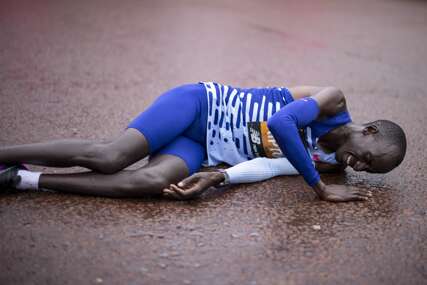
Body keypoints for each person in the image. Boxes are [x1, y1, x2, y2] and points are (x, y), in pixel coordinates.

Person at [0, 82, 406, 202]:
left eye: (371, 171)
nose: (360, 168)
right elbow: (283, 124)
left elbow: (267, 166)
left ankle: (23, 181)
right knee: (110, 156)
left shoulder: (330, 162)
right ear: (369, 130)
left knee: (150, 184)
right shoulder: (332, 103)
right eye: (370, 159)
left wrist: (220, 178)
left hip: (204, 150)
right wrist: (317, 188)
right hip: (200, 106)